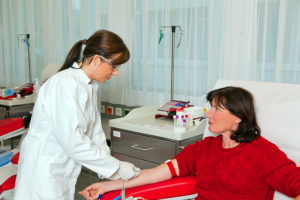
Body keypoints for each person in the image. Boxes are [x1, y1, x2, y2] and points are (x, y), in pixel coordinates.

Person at [79, 86, 300, 200]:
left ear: (239, 117)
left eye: (217, 108)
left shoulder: (264, 153)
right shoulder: (204, 149)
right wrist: (107, 185)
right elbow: (155, 174)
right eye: (210, 106)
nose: (209, 113)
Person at [14, 30, 140, 200]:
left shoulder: (90, 86)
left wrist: (110, 171)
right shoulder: (64, 84)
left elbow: (95, 133)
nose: (116, 72)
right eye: (114, 66)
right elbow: (73, 142)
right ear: (97, 60)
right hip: (43, 172)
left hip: (61, 171)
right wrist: (115, 167)